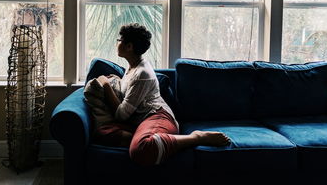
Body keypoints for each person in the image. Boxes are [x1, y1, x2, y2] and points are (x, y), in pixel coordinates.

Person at [95, 23, 231, 166]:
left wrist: (105, 85)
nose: (117, 43)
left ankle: (196, 137)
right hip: (139, 120)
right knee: (101, 132)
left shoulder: (142, 73)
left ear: (129, 46)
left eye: (119, 40)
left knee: (141, 150)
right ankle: (145, 137)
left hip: (156, 116)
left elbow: (122, 115)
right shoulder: (131, 66)